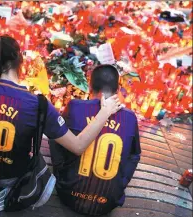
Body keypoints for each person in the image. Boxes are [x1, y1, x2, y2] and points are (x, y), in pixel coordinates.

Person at [0, 33, 123, 212]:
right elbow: (78, 146)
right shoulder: (38, 105)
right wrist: (105, 112)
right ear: (19, 60)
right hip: (15, 180)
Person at [49, 64, 141, 216]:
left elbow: (56, 138)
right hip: (107, 203)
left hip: (68, 193)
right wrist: (121, 183)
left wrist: (59, 170)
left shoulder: (75, 106)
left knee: (57, 133)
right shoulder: (130, 118)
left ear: (90, 88)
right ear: (117, 90)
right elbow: (134, 156)